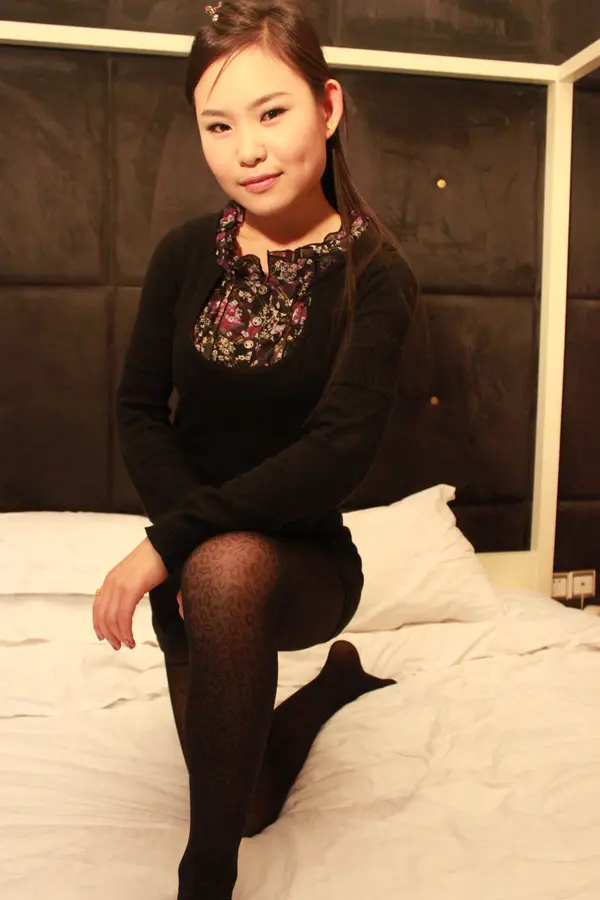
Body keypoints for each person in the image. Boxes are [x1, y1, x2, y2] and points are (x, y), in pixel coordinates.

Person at [92, 1, 419, 897]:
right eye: (219, 125)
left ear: (328, 106)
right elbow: (138, 411)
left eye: (272, 112)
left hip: (302, 561)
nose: (249, 150)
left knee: (229, 568)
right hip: (193, 560)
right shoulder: (182, 254)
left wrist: (170, 543)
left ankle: (205, 880)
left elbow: (336, 452)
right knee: (244, 802)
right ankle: (332, 686)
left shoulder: (377, 275)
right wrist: (182, 545)